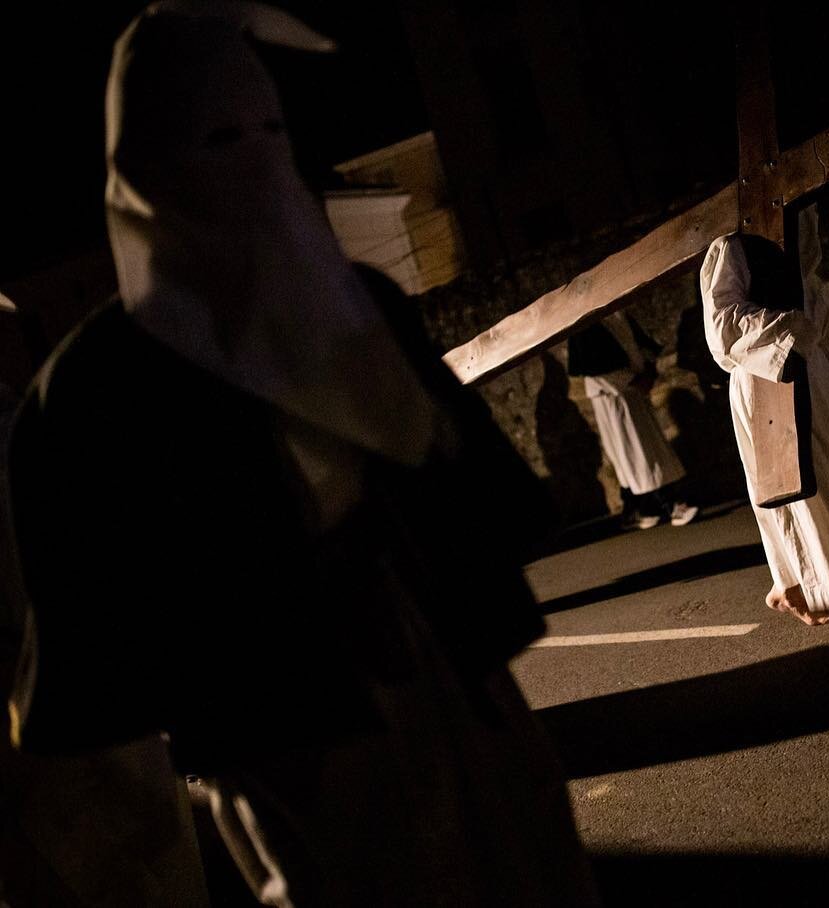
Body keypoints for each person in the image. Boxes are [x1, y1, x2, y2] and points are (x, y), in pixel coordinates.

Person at [3, 4, 598, 905]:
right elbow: (98, 626)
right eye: (214, 136)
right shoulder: (99, 384)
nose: (249, 159)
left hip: (456, 691)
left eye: (269, 128)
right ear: (143, 160)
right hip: (288, 737)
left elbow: (469, 496)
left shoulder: (354, 306)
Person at [699, 206, 829, 637]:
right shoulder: (733, 250)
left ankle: (795, 587)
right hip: (767, 380)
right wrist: (786, 329)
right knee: (802, 496)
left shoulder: (807, 280)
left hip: (822, 387)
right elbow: (721, 325)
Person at [567, 310, 699, 529]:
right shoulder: (586, 324)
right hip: (614, 396)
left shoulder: (617, 314)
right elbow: (593, 368)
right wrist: (634, 380)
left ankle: (639, 509)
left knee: (640, 450)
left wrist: (648, 370)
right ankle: (671, 505)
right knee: (636, 452)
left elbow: (637, 345)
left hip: (632, 392)